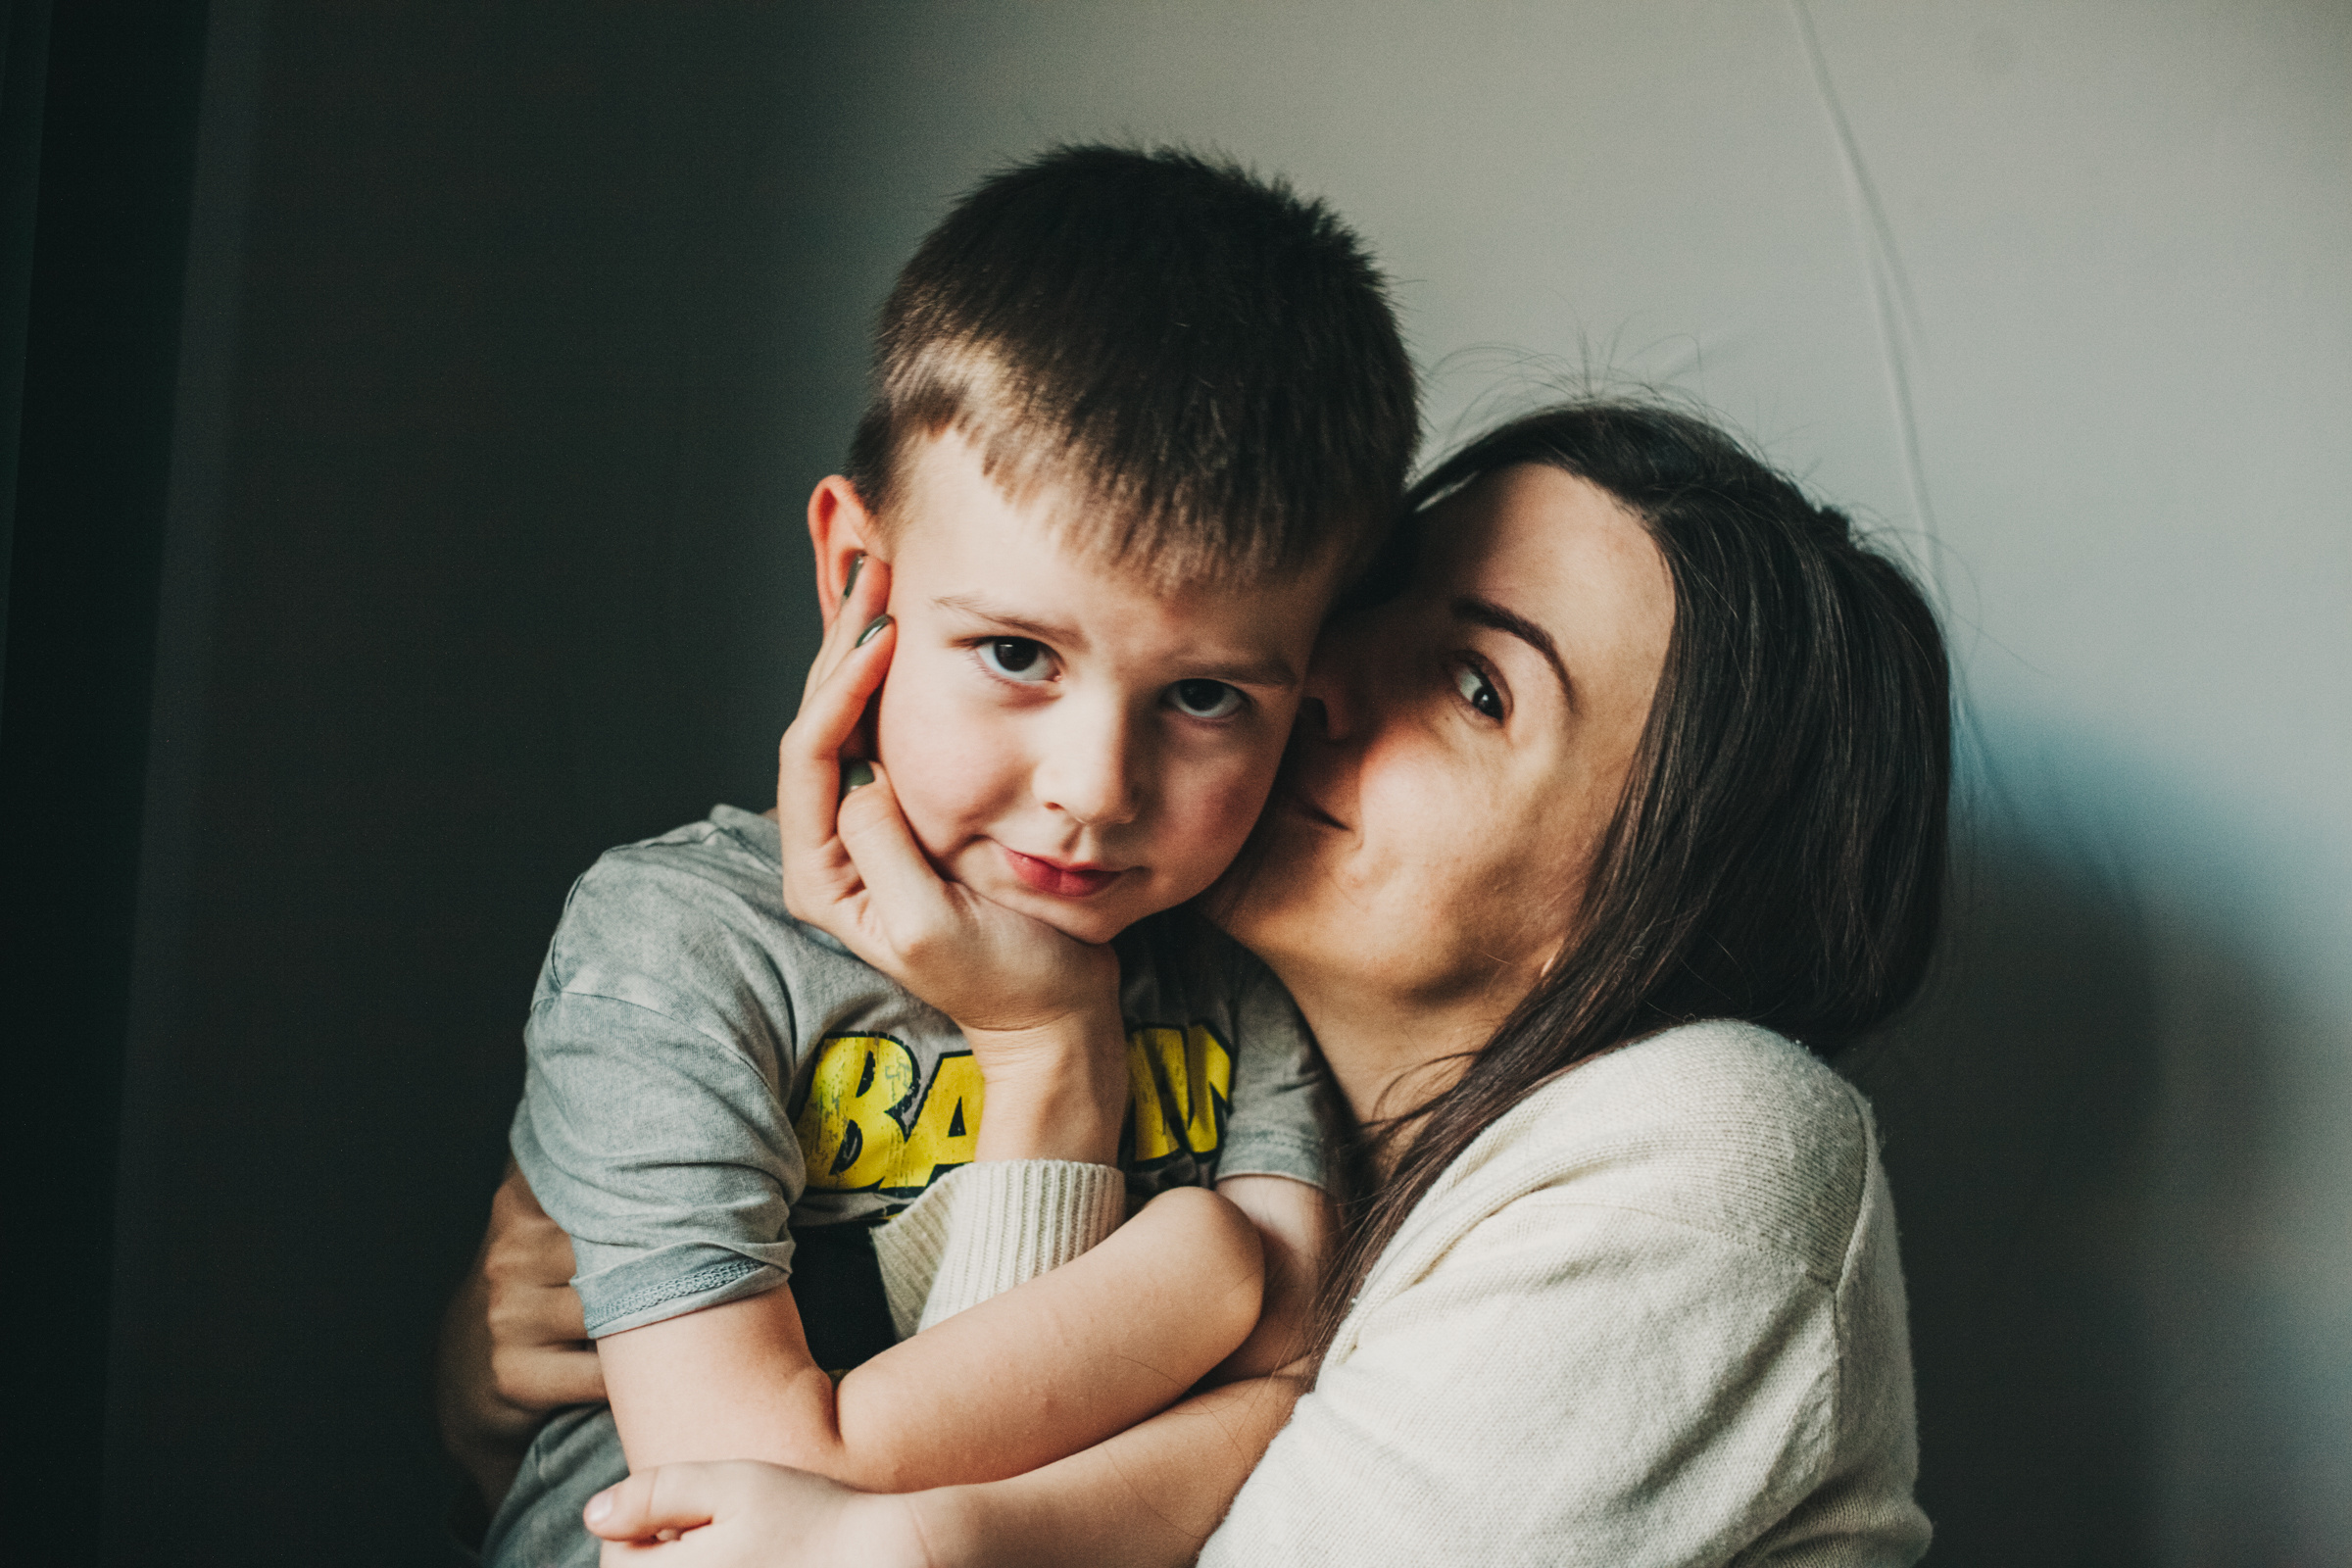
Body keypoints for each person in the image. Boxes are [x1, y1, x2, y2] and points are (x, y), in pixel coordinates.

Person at [485, 398, 1949, 1563]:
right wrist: (561, 1357)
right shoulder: (1196, 1026)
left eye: (1479, 686)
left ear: (1645, 906)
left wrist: (1051, 1053)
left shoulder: (1712, 1146)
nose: (1301, 675)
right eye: (1370, 596)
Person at [454, 143, 1419, 1567]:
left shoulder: (1237, 974)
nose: (1095, 792)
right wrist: (1195, 1270)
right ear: (862, 577)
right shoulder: (676, 942)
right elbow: (741, 1481)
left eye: (1207, 696)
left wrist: (907, 1502)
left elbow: (1290, 1394)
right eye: (1017, 653)